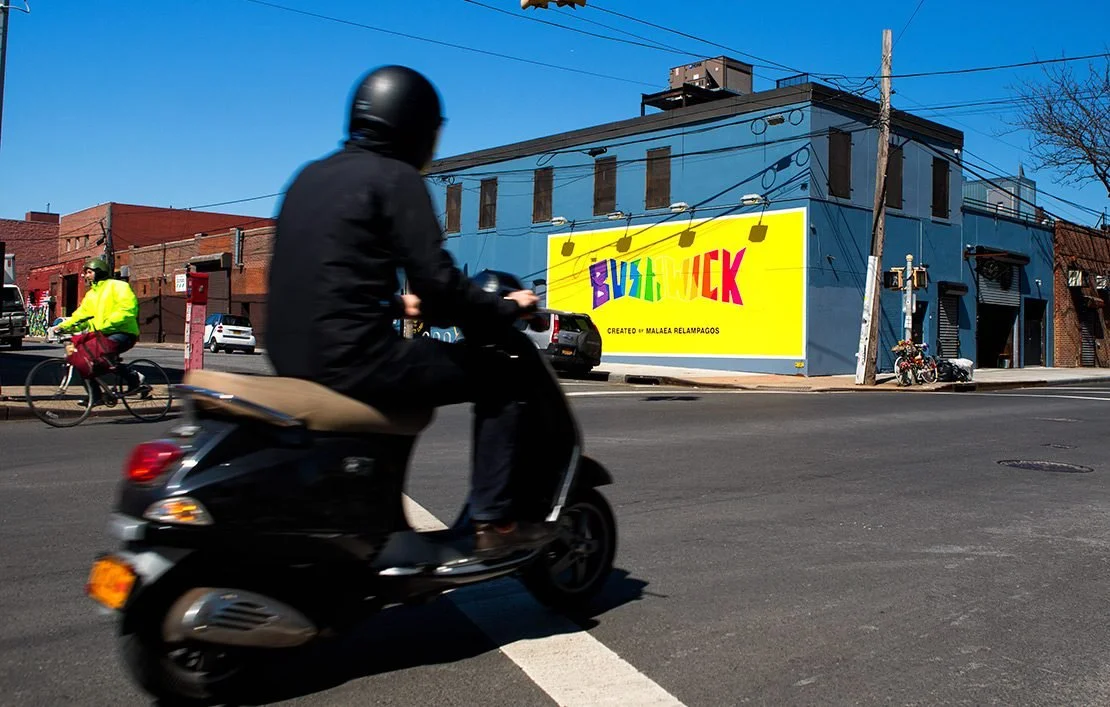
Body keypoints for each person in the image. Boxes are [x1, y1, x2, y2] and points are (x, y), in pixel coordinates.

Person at [266, 65, 551, 557]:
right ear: (415, 125)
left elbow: (326, 276)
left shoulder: (309, 177)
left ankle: (383, 516)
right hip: (354, 359)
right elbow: (441, 288)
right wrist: (507, 305)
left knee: (413, 369)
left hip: (289, 356)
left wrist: (398, 303)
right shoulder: (396, 178)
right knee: (504, 372)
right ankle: (494, 522)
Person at [50, 258, 142, 404]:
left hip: (123, 332)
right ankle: (95, 396)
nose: (86, 276)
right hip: (101, 335)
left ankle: (134, 377)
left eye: (89, 272)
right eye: (85, 273)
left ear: (100, 271)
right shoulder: (91, 295)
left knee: (103, 355)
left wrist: (106, 324)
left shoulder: (118, 286)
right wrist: (64, 326)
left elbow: (128, 310)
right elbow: (81, 316)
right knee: (81, 360)